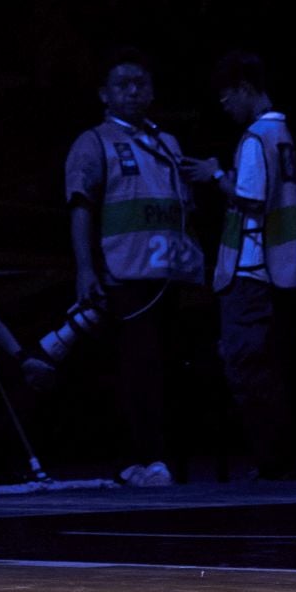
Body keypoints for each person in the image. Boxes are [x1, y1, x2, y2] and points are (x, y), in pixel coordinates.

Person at [58, 49, 206, 488]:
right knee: (136, 369)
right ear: (105, 94)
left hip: (171, 274)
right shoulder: (93, 142)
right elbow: (81, 208)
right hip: (125, 274)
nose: (133, 91)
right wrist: (85, 270)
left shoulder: (167, 143)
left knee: (171, 369)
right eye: (123, 84)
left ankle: (166, 457)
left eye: (141, 84)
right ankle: (137, 458)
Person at [182, 50, 296, 480]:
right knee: (271, 368)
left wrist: (216, 175)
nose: (225, 107)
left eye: (226, 97)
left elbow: (252, 199)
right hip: (278, 270)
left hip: (251, 271)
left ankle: (273, 462)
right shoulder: (283, 134)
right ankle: (282, 459)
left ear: (244, 89)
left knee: (247, 369)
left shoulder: (256, 137)